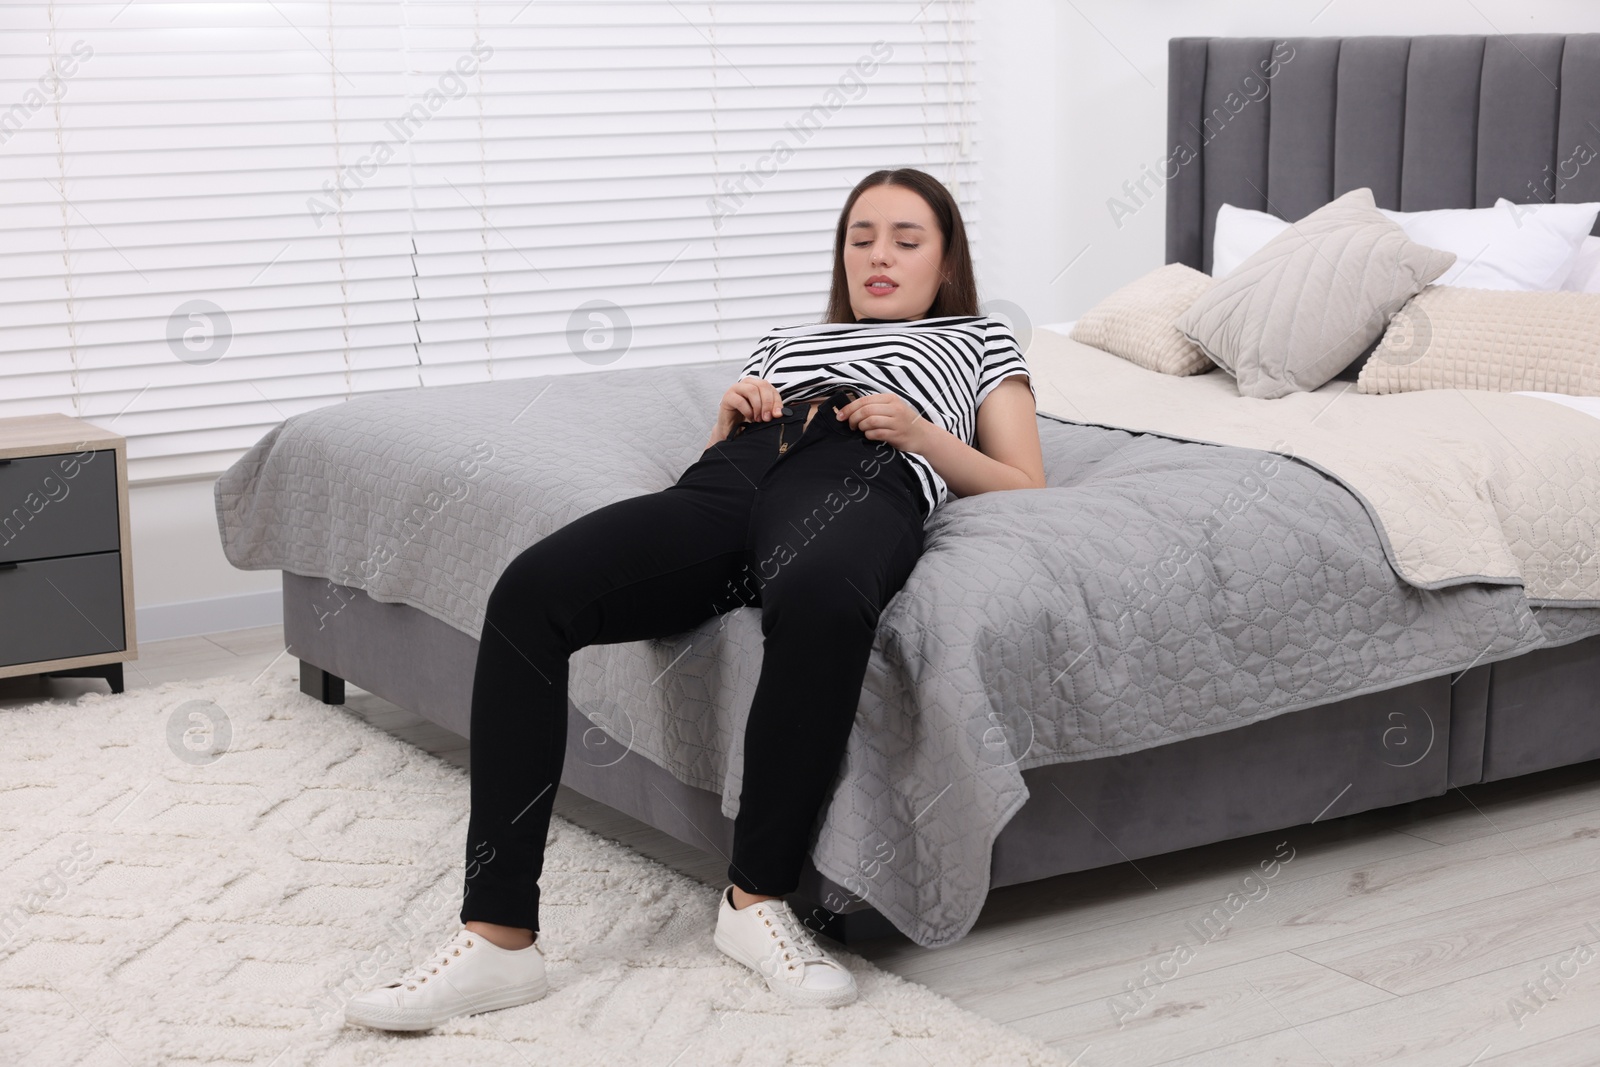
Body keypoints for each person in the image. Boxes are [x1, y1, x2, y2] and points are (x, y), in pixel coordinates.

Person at [343, 167, 1046, 1031]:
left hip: (864, 471)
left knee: (825, 596)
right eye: (860, 237)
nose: (878, 256)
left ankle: (756, 902)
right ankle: (498, 936)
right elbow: (717, 461)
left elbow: (1022, 479)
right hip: (735, 474)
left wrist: (922, 436)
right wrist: (734, 412)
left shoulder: (980, 338)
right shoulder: (790, 337)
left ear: (945, 263)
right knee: (531, 591)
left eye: (906, 239)